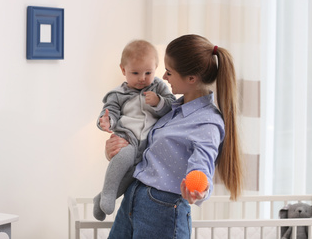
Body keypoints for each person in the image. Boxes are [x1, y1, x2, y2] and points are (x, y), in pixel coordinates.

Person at [104, 34, 243, 238]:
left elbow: (202, 165)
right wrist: (114, 150)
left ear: (192, 79)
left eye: (169, 72)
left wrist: (199, 189)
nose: (165, 78)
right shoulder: (171, 108)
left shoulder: (207, 122)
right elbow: (143, 147)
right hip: (134, 198)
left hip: (162, 210)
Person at [93, 40, 176, 221]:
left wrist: (158, 102)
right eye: (135, 73)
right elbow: (109, 113)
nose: (142, 78)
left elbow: (172, 106)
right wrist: (106, 122)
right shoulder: (117, 94)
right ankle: (107, 195)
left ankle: (101, 199)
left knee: (132, 177)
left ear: (156, 68)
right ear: (123, 70)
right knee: (121, 160)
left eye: (148, 72)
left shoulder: (159, 87)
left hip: (149, 144)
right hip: (127, 138)